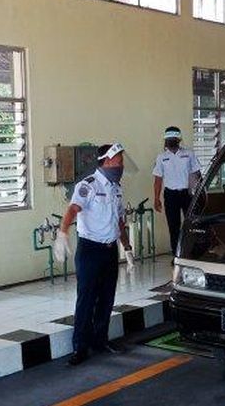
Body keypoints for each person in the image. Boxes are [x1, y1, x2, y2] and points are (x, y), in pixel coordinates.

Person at [53, 143, 136, 366]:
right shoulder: (87, 185)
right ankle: (80, 347)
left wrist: (127, 249)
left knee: (106, 299)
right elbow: (72, 209)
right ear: (107, 161)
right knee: (86, 299)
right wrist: (62, 234)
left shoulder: (117, 188)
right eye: (118, 161)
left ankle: (100, 341)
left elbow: (119, 222)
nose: (121, 165)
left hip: (109, 251)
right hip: (90, 250)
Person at [153, 127, 202, 260]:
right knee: (173, 226)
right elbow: (158, 179)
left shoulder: (189, 154)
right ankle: (177, 255)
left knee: (191, 224)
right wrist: (156, 199)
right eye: (169, 139)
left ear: (178, 139)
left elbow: (197, 174)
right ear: (166, 140)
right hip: (170, 195)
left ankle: (192, 253)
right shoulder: (161, 157)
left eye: (174, 139)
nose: (171, 141)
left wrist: (199, 194)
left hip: (187, 194)